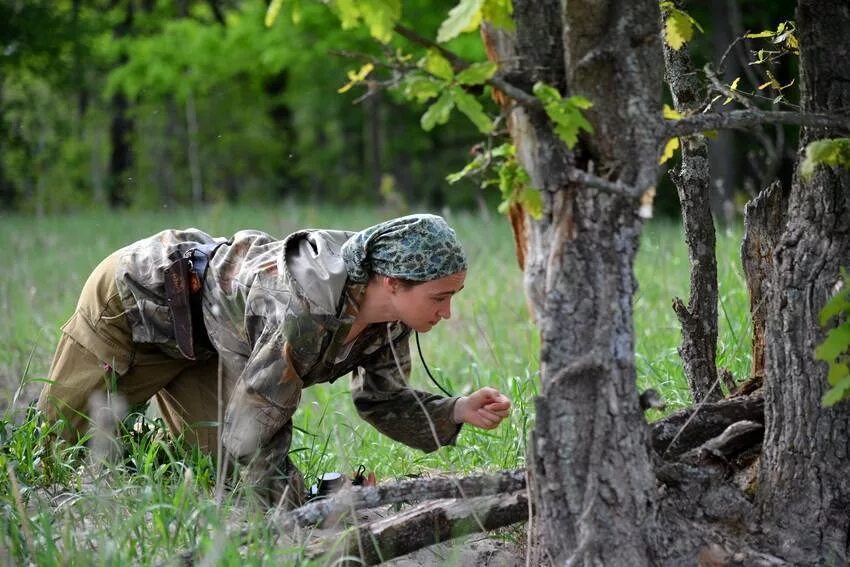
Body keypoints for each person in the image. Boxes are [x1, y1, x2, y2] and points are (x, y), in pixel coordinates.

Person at [37, 213, 512, 507]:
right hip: (137, 295)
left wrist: (455, 410)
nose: (447, 312)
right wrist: (293, 518)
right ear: (392, 282)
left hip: (209, 341)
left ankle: (128, 461)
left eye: (454, 296)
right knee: (54, 450)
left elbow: (381, 400)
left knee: (215, 474)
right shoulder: (306, 307)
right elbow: (260, 425)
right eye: (440, 297)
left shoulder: (392, 321)